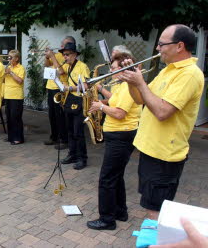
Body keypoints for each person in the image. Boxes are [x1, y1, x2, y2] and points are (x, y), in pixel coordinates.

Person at [119, 24, 205, 220]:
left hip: (165, 155)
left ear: (179, 46)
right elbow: (142, 100)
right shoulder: (168, 70)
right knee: (151, 204)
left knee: (156, 210)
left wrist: (140, 82)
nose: (158, 48)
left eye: (161, 44)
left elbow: (162, 111)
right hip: (151, 149)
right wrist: (132, 83)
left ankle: (157, 241)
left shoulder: (189, 74)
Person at [86, 53, 142, 230]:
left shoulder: (127, 87)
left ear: (124, 69)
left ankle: (107, 219)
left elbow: (119, 113)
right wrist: (101, 92)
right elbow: (114, 99)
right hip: (119, 134)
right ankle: (120, 211)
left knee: (107, 178)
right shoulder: (122, 85)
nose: (110, 71)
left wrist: (100, 107)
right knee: (116, 176)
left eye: (113, 68)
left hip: (121, 135)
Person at [49, 42, 90, 170]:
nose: (65, 57)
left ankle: (82, 158)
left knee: (78, 132)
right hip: (69, 100)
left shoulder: (82, 66)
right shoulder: (67, 66)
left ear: (74, 54)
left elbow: (85, 86)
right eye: (63, 55)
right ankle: (72, 154)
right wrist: (53, 58)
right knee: (70, 131)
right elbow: (60, 71)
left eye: (67, 55)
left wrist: (70, 88)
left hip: (80, 101)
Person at [44, 36, 76, 150]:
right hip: (51, 86)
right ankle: (54, 137)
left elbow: (61, 71)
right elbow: (46, 65)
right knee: (52, 114)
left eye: (64, 45)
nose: (61, 46)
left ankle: (64, 139)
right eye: (61, 44)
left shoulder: (67, 59)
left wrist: (53, 56)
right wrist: (47, 57)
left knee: (60, 116)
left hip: (60, 88)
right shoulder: (57, 55)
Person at [4, 50, 25, 145]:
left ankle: (18, 138)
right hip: (7, 94)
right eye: (8, 57)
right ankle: (11, 136)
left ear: (17, 58)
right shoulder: (8, 67)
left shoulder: (21, 68)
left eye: (11, 57)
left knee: (15, 117)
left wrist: (11, 73)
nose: (9, 59)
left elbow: (20, 80)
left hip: (16, 96)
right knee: (8, 117)